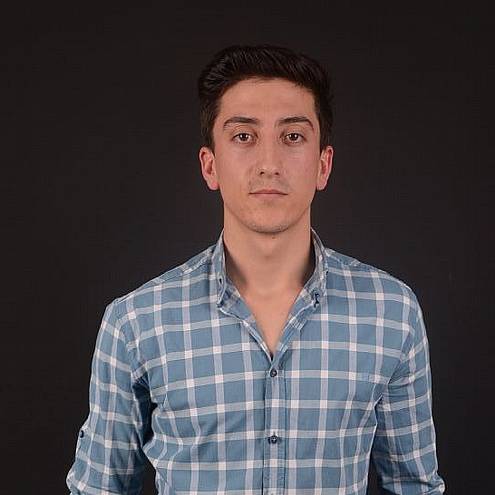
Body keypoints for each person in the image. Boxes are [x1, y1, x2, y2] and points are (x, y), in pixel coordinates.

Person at [66, 44, 445, 494]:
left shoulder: (390, 312)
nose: (269, 164)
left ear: (323, 165)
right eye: (244, 136)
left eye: (293, 137)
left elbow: (415, 487)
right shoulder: (136, 322)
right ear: (210, 166)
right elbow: (98, 488)